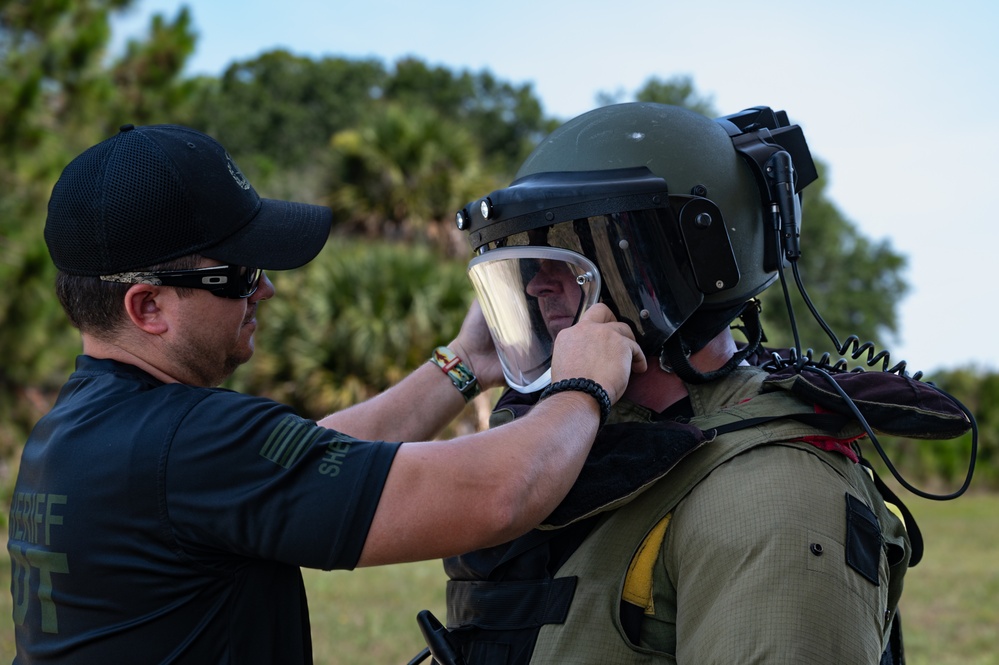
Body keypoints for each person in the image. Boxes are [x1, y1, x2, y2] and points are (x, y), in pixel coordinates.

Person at [6, 123, 648, 664]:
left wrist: (466, 362)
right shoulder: (188, 441)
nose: (266, 291)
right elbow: (497, 494)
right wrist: (582, 384)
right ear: (148, 307)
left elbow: (311, 460)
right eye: (240, 275)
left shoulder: (75, 431)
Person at [434, 103, 972, 664]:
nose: (538, 286)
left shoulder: (771, 491)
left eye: (573, 250)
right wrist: (467, 365)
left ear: (687, 260)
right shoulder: (566, 438)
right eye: (530, 259)